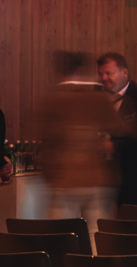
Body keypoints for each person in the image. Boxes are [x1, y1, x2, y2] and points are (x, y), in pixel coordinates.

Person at [34, 52, 124, 223]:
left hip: (65, 177)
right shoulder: (99, 99)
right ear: (82, 70)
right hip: (99, 178)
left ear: (55, 71)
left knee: (61, 236)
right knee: (96, 236)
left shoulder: (54, 100)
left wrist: (48, 175)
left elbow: (47, 143)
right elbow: (119, 129)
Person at [97, 52, 137, 209]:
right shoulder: (97, 96)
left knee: (130, 221)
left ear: (124, 72)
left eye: (109, 73)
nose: (104, 78)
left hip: (132, 171)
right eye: (101, 74)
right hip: (101, 172)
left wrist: (115, 145)